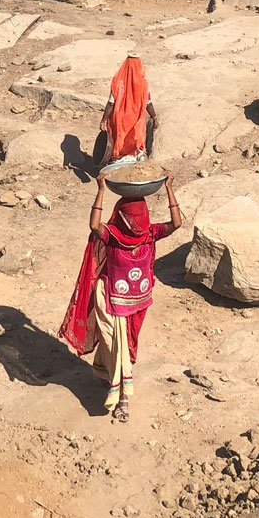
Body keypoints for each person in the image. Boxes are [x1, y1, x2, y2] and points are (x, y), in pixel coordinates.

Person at [58, 175, 182, 421]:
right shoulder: (112, 235)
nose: (135, 225)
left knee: (127, 345)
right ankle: (122, 397)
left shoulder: (150, 233)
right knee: (119, 346)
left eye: (138, 219)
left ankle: (107, 375)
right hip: (111, 299)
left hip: (139, 302)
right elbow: (94, 226)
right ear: (121, 217)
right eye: (131, 220)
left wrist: (169, 189)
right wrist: (101, 190)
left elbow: (176, 224)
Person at [100, 54, 156, 165]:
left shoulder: (118, 81)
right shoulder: (143, 84)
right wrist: (154, 117)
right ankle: (133, 159)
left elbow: (111, 103)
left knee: (118, 138)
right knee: (133, 138)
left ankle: (117, 159)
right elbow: (148, 103)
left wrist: (103, 120)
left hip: (119, 118)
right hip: (135, 118)